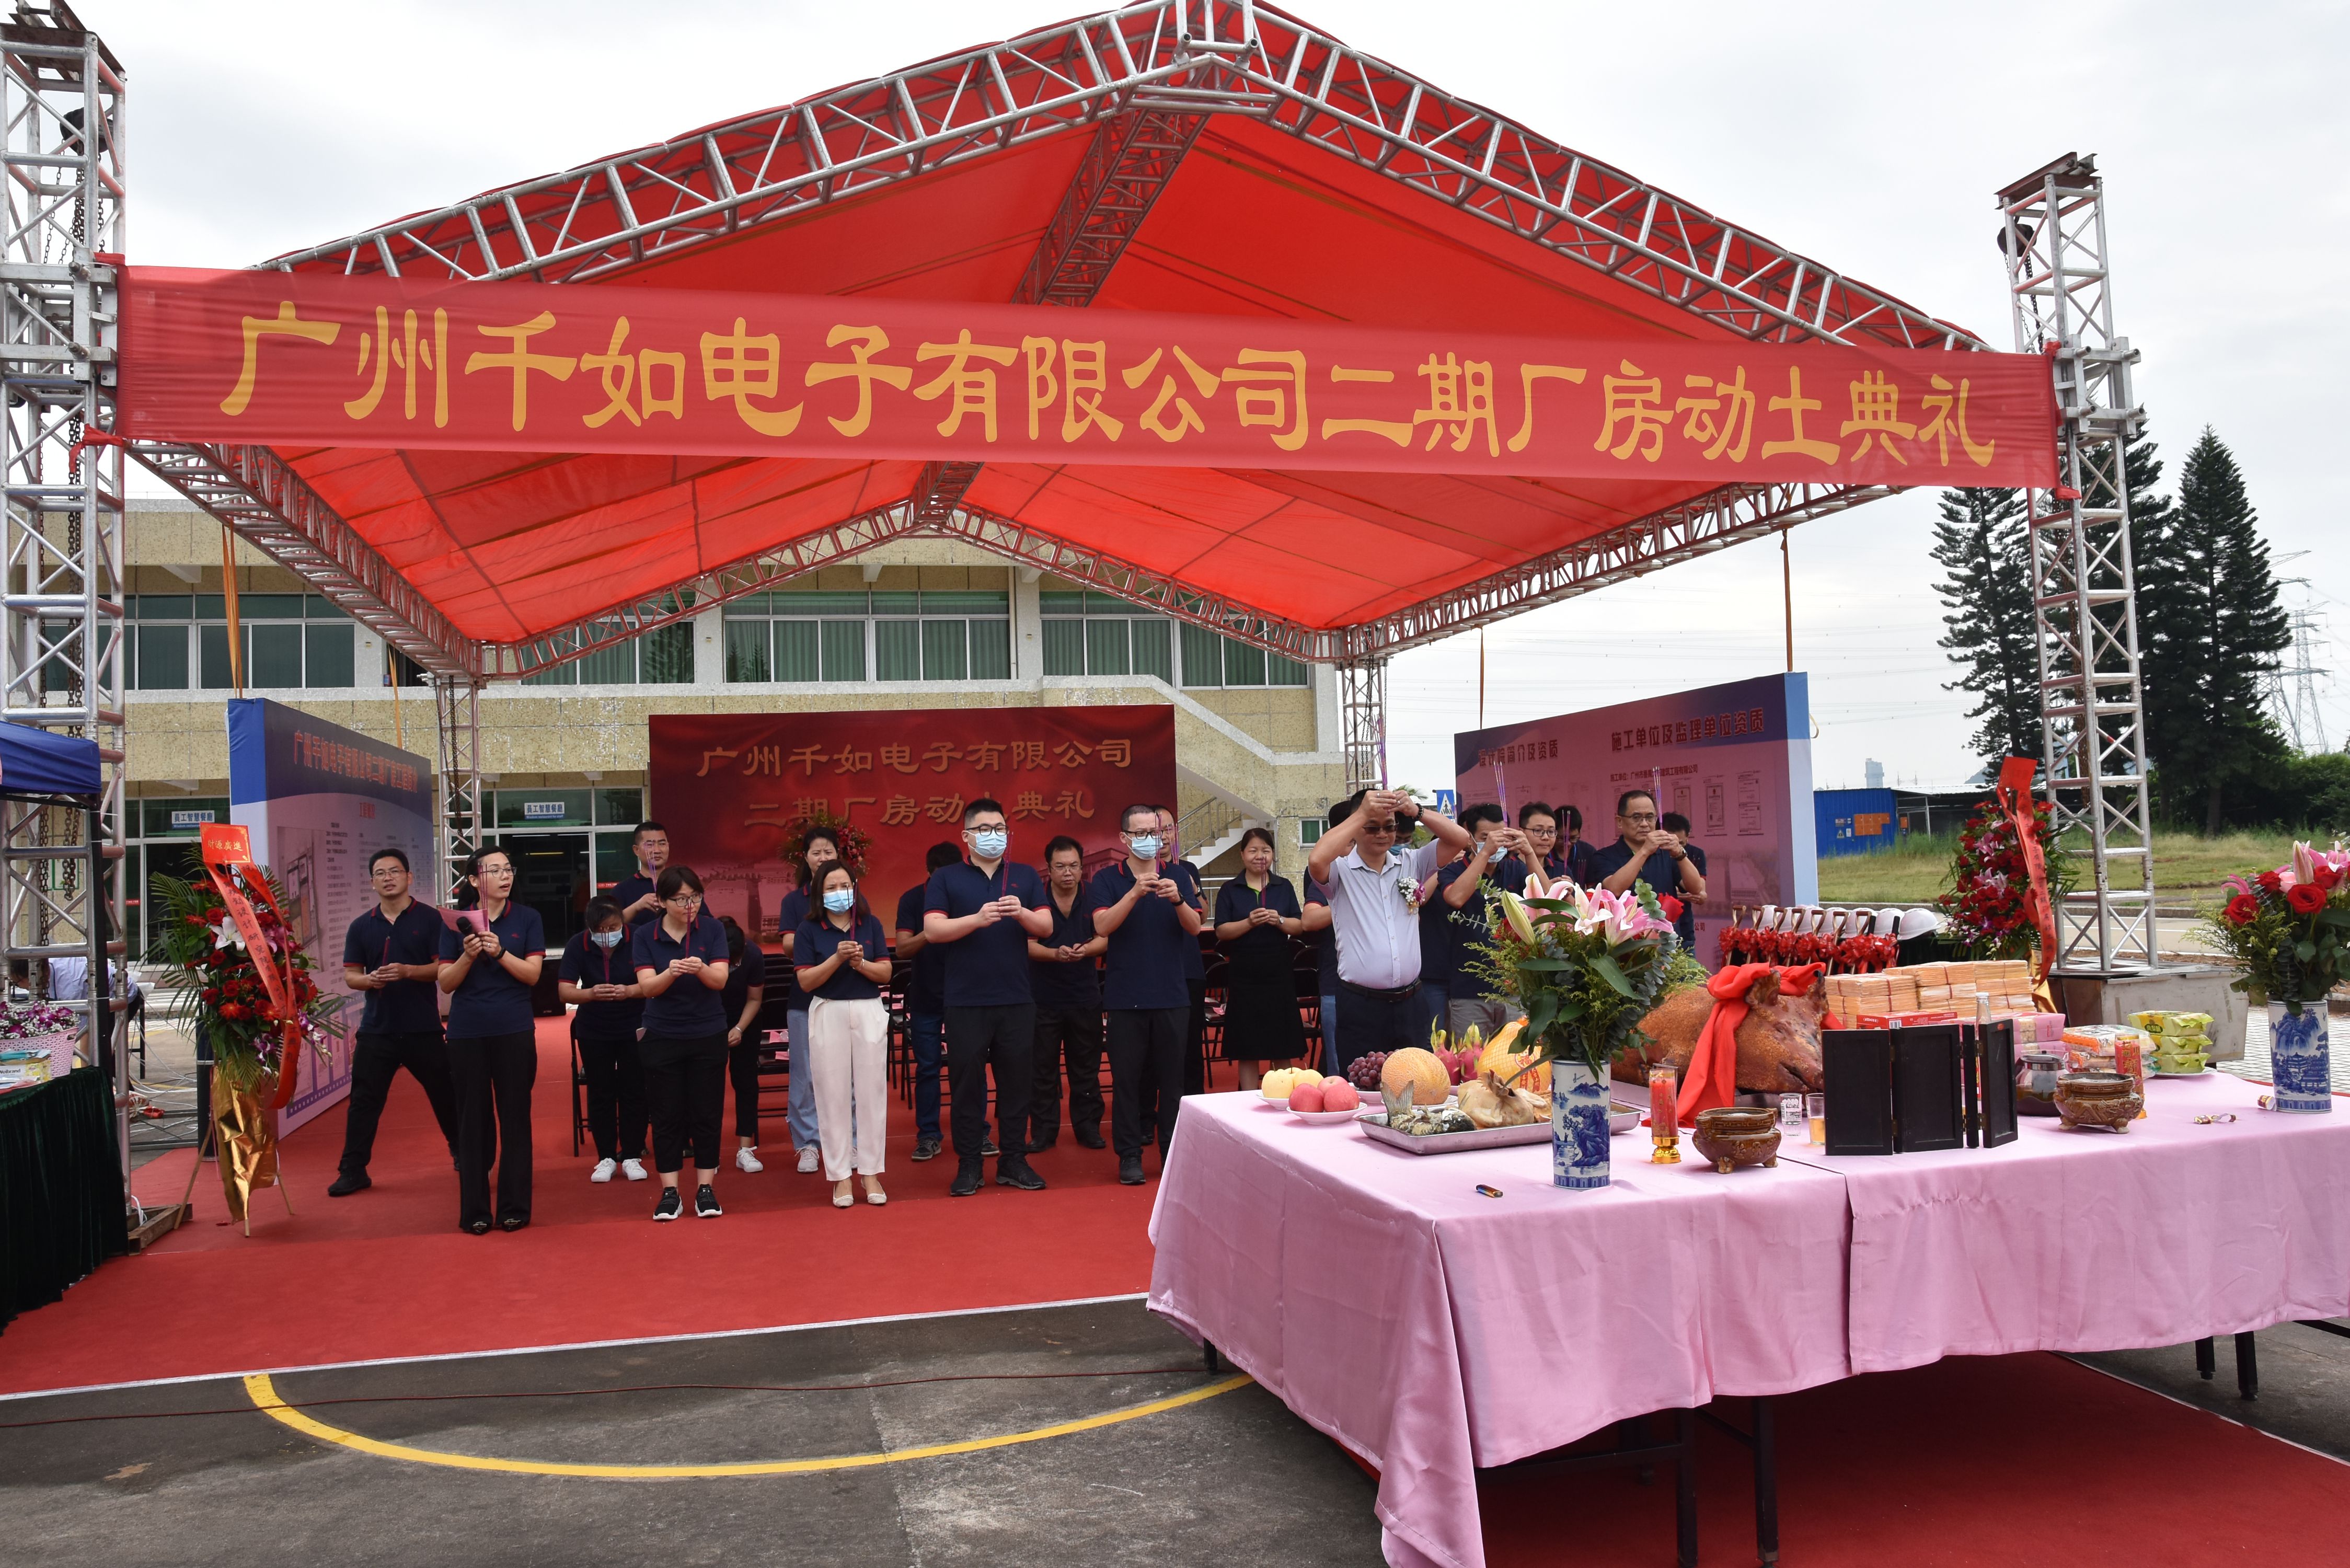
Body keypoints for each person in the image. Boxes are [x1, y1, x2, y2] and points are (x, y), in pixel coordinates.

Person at [923, 799, 1055, 1197]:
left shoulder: (1025, 875)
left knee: (1016, 1084)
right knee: (967, 1085)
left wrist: (1022, 915)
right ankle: (969, 1165)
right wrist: (977, 919)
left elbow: (1046, 926)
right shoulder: (946, 878)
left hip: (1016, 997)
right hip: (965, 1000)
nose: (993, 835)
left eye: (1000, 828)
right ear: (966, 836)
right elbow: (932, 931)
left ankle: (1013, 1160)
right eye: (984, 829)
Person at [1305, 788, 1473, 1074]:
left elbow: (1460, 840)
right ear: (1357, 829)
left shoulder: (1412, 862)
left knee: (1417, 1084)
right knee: (1363, 1087)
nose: (1383, 834)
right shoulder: (1341, 871)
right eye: (1372, 827)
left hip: (1411, 1002)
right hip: (1361, 1005)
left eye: (1390, 827)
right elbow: (1317, 860)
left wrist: (1416, 812)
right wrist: (1361, 814)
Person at [331, 847, 459, 1197]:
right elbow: (351, 976)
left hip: (423, 1028)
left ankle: (463, 1155)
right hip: (377, 1030)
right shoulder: (361, 926)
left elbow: (443, 969)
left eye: (395, 871)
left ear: (409, 877)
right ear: (372, 882)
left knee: (446, 1095)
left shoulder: (431, 920)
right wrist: (371, 980)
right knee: (363, 1102)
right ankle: (353, 1170)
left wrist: (407, 972)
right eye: (380, 874)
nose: (388, 878)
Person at [1090, 803, 1205, 1184]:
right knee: (1127, 1081)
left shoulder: (1179, 874)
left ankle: (1172, 1152)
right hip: (1125, 998)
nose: (1149, 840)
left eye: (1154, 833)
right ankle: (1129, 1155)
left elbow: (1194, 928)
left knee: (1173, 1082)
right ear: (1124, 839)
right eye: (1139, 834)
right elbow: (1103, 926)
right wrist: (1135, 894)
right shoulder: (1108, 879)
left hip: (1172, 995)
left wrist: (1177, 899)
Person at [436, 847, 546, 1235]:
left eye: (508, 868)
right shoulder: (456, 924)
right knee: (472, 1122)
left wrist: (499, 951)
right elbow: (446, 983)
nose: (505, 876)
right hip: (467, 1033)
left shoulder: (528, 918)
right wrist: (468, 956)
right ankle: (476, 1211)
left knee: (515, 1118)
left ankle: (515, 1207)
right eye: (495, 870)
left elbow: (533, 975)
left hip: (514, 1030)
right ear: (473, 880)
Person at [631, 864, 732, 1221]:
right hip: (662, 1036)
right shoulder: (645, 935)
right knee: (666, 1116)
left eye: (695, 897)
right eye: (680, 899)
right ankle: (670, 1192)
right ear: (662, 901)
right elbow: (647, 988)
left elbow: (720, 980)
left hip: (707, 1033)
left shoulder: (714, 929)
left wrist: (700, 968)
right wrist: (671, 972)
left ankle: (706, 1188)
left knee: (707, 1113)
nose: (689, 905)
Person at [795, 862, 895, 1208]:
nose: (841, 892)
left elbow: (885, 971)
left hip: (868, 1009)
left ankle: (871, 1172)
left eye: (845, 885)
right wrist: (837, 959)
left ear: (855, 886)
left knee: (871, 1093)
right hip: (828, 1010)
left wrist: (860, 964)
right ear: (820, 893)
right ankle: (840, 1177)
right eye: (832, 887)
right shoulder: (810, 929)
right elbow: (806, 981)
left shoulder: (871, 924)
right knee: (832, 1094)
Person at [556, 895, 647, 1184]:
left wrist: (630, 991)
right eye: (601, 930)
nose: (608, 935)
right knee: (601, 1092)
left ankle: (633, 1155)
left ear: (622, 922)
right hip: (594, 1029)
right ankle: (606, 1156)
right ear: (591, 928)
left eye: (613, 927)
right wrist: (591, 994)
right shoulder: (577, 945)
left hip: (635, 1026)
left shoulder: (639, 939)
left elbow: (654, 983)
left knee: (635, 1090)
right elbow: (565, 992)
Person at [1212, 827, 1307, 1091]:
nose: (1260, 856)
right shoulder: (1231, 889)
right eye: (1253, 850)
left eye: (1265, 850)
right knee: (1248, 1045)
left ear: (1273, 855)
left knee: (1282, 1041)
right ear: (1242, 855)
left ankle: (1285, 1095)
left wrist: (1278, 920)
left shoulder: (1283, 886)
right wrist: (1248, 922)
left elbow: (1299, 926)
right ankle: (1250, 1098)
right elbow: (1222, 931)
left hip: (1278, 972)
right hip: (1244, 974)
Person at [1027, 835, 1105, 1153]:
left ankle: (1088, 1129)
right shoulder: (1037, 898)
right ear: (1048, 869)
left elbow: (1106, 937)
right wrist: (1054, 954)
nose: (1068, 873)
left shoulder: (1093, 895)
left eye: (1074, 866)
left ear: (1082, 867)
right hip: (1042, 998)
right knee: (1042, 1070)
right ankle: (1044, 1132)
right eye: (1060, 867)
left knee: (1085, 1068)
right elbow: (1027, 946)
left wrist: (1085, 951)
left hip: (1084, 996)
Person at [774, 828, 841, 1173]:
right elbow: (787, 946)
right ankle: (807, 1143)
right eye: (816, 852)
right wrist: (819, 941)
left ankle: (847, 1141)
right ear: (806, 857)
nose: (823, 858)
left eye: (829, 851)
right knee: (805, 1074)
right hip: (805, 998)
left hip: (845, 996)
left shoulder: (849, 895)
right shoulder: (794, 901)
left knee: (846, 1072)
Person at [1439, 805, 1536, 1041]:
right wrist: (1484, 854)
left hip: (1513, 988)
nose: (1495, 845)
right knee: (1469, 1063)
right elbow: (1456, 898)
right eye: (1486, 838)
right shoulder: (1453, 871)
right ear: (1469, 835)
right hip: (1469, 991)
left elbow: (1543, 898)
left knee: (1515, 1059)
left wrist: (1530, 853)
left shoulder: (1515, 868)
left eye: (1500, 837)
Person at [894, 841, 962, 1162]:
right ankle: (928, 1136)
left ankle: (976, 1132)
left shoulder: (967, 893)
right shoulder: (912, 899)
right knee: (928, 1069)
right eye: (941, 879)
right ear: (929, 874)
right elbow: (903, 950)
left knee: (969, 1068)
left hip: (966, 996)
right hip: (925, 997)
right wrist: (931, 932)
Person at [1590, 790, 1707, 919]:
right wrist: (1645, 851)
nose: (1645, 824)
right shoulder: (1604, 856)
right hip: (1626, 937)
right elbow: (1614, 889)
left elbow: (1696, 889)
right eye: (1636, 818)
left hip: (1665, 935)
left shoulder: (1666, 852)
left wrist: (1680, 853)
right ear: (1619, 821)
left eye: (1650, 817)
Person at [1299, 801, 1349, 1074]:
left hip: (1386, 989)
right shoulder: (1328, 869)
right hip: (1336, 982)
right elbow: (1309, 920)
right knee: (1340, 1071)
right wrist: (1354, 901)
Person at [718, 916, 768, 1173]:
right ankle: (709, 1152)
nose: (733, 966)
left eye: (736, 962)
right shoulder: (703, 954)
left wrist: (739, 1029)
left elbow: (755, 998)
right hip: (709, 1020)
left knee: (746, 1082)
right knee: (707, 1087)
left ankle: (745, 1149)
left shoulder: (753, 955)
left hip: (745, 1021)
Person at [1659, 812, 1708, 951]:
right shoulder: (1655, 855)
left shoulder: (1692, 854)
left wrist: (1673, 894)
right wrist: (1677, 894)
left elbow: (1701, 894)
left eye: (1682, 844)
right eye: (1672, 843)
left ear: (1687, 837)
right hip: (1659, 928)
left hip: (1684, 925)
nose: (1677, 848)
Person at [607, 821, 671, 928]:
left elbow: (703, 919)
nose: (657, 850)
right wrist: (637, 906)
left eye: (662, 844)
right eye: (650, 845)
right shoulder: (622, 890)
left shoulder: (680, 884)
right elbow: (609, 926)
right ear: (636, 850)